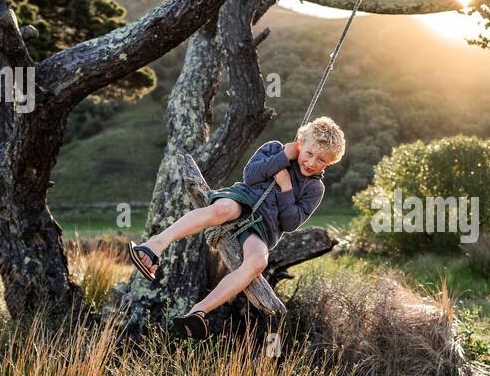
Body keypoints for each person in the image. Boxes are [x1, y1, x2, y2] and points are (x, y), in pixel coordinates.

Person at [129, 116, 345, 337]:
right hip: (243, 200)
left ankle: (198, 312)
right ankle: (155, 245)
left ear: (329, 163)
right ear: (300, 143)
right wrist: (282, 158)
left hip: (264, 227)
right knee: (221, 210)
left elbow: (290, 223)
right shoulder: (275, 149)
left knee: (258, 262)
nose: (312, 162)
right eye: (309, 153)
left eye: (321, 160)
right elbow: (250, 176)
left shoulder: (315, 188)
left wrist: (286, 188)